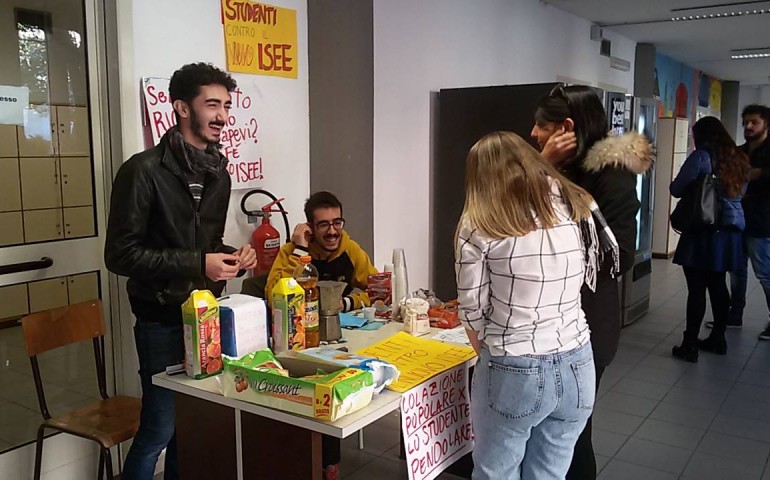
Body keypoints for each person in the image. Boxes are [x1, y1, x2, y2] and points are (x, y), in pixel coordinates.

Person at [104, 63, 256, 480]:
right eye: (212, 104)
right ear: (181, 108)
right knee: (159, 427)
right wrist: (198, 263)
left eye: (227, 105)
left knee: (189, 429)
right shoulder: (143, 170)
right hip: (160, 319)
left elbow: (203, 247)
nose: (223, 115)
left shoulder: (217, 173)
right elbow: (120, 255)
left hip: (205, 317)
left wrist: (233, 257)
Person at [457, 131, 613, 480]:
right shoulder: (576, 205)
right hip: (577, 362)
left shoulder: (479, 222)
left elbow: (471, 309)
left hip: (514, 364)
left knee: (496, 472)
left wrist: (492, 350)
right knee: (549, 474)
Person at [531, 84, 652, 479]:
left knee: (572, 431)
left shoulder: (609, 175)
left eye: (541, 126)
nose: (533, 134)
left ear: (566, 127)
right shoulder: (564, 168)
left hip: (586, 324)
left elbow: (619, 256)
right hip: (550, 321)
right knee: (549, 432)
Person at [262, 190, 377, 480]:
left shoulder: (349, 249)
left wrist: (348, 303)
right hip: (298, 341)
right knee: (314, 387)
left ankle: (329, 464)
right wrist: (300, 252)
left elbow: (375, 288)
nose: (333, 231)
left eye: (337, 222)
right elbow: (273, 292)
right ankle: (314, 462)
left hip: (341, 338)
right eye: (323, 224)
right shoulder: (292, 253)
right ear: (310, 228)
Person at [670, 116, 749, 361]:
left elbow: (676, 189)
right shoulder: (739, 159)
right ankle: (718, 337)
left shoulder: (701, 157)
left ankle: (690, 344)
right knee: (718, 284)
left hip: (702, 230)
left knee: (696, 289)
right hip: (729, 232)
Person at [715, 105, 770, 334]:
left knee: (764, 272)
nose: (748, 126)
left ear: (766, 124)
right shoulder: (738, 152)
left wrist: (755, 176)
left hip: (761, 221)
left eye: (754, 122)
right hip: (737, 220)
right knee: (737, 270)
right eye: (745, 122)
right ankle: (734, 314)